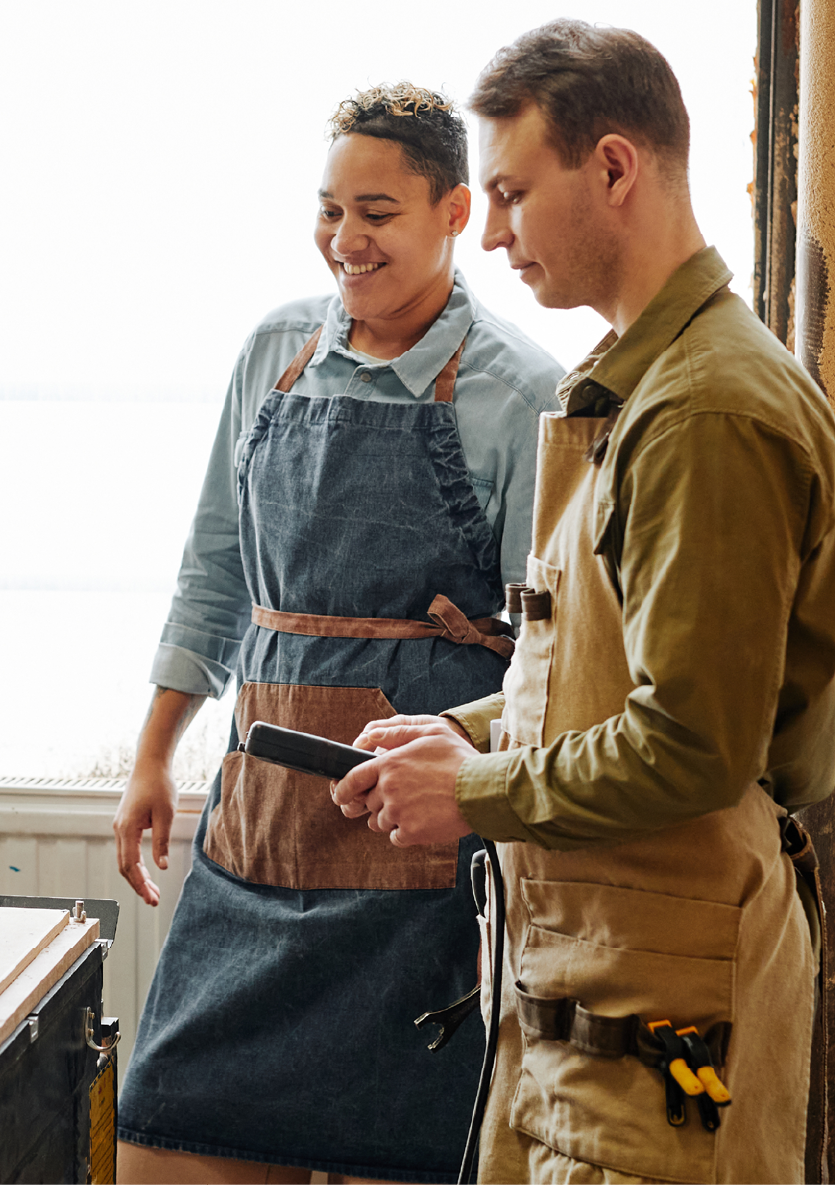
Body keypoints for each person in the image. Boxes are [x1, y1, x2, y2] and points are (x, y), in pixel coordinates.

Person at [332, 21, 835, 1185]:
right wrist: (463, 731)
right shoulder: (637, 384)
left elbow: (694, 746)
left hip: (670, 1011)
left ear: (614, 168)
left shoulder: (708, 413)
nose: (493, 230)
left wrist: (474, 792)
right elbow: (598, 675)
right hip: (602, 979)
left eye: (511, 191)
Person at [113, 84, 564, 1184]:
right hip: (255, 827)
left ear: (456, 211)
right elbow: (214, 570)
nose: (344, 242)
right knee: (159, 1138)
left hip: (419, 859)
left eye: (377, 212)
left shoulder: (523, 394)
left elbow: (551, 658)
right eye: (328, 210)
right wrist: (153, 756)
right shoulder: (272, 352)